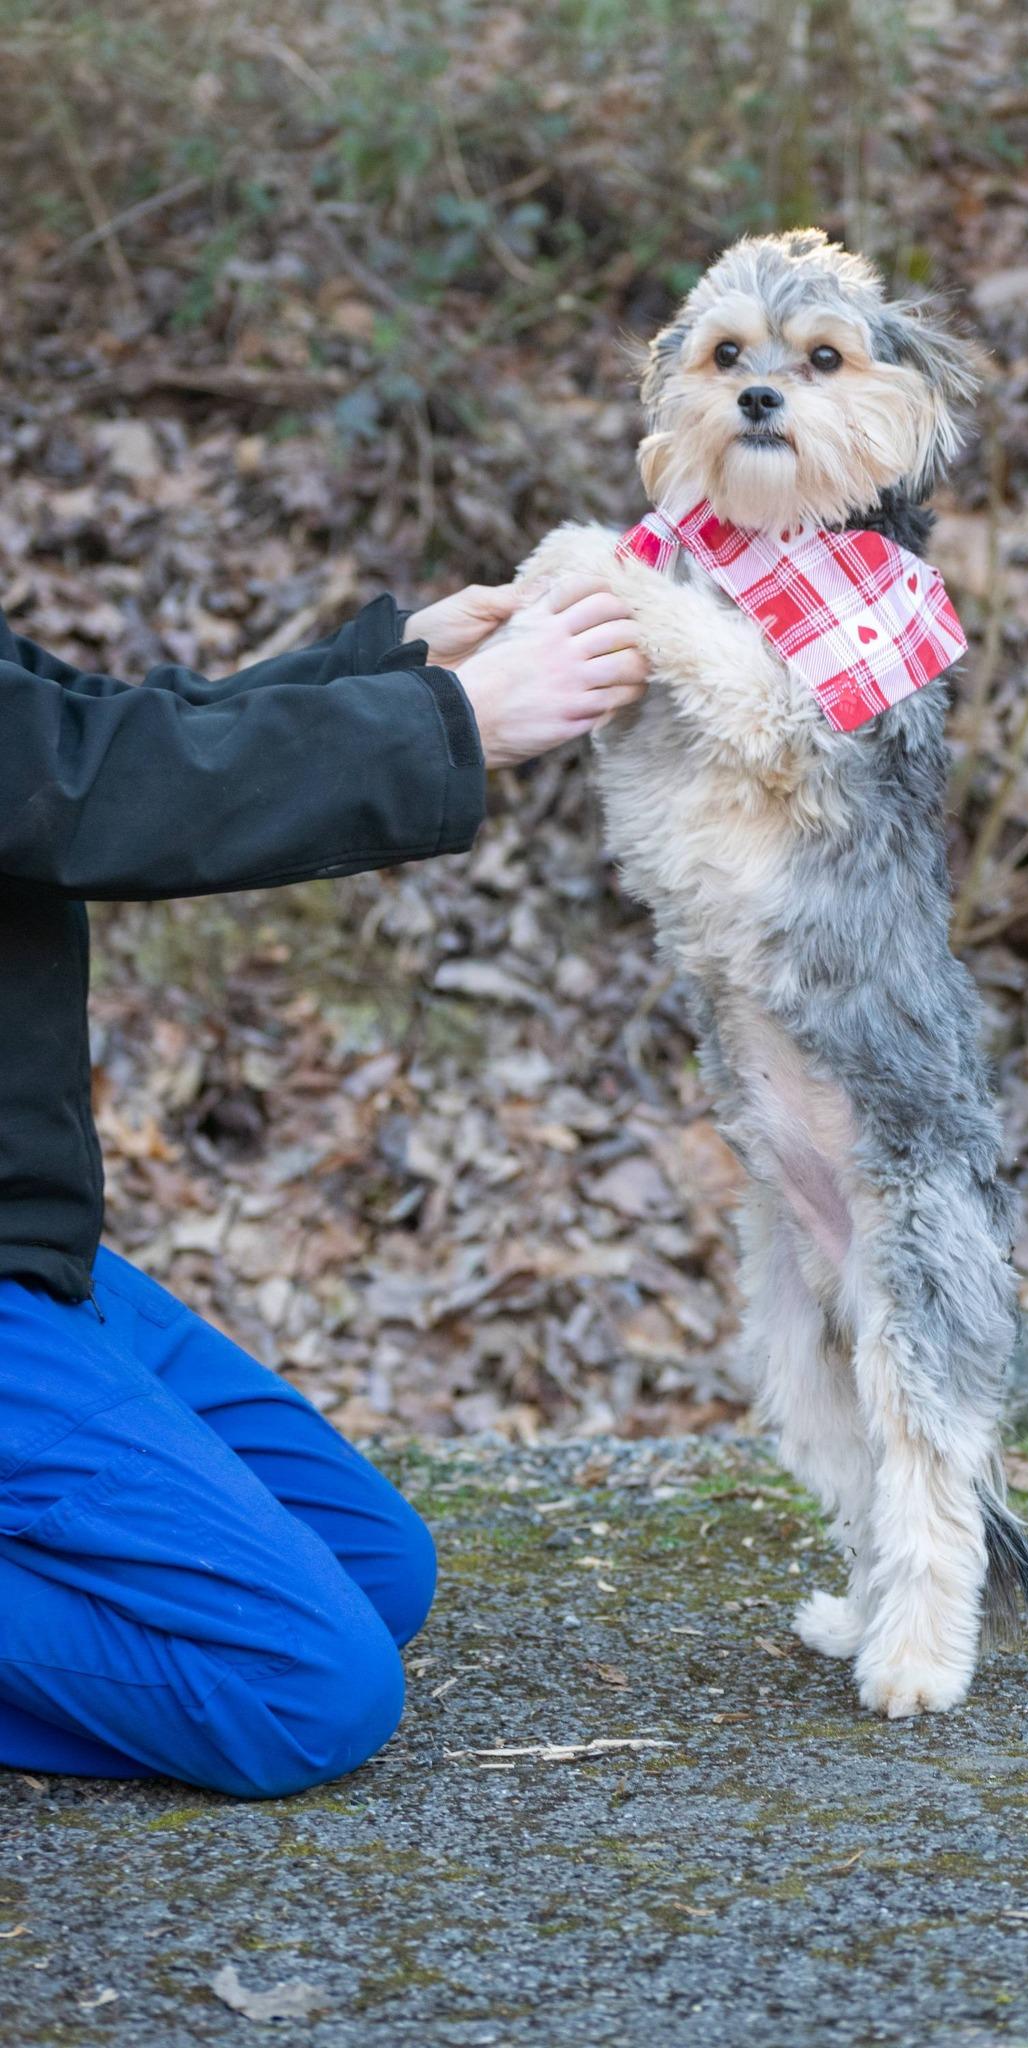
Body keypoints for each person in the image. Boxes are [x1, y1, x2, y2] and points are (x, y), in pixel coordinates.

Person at [0, 576, 648, 1798]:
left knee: (374, 1565)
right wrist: (449, 724)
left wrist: (388, 667)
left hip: (33, 1244)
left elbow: (78, 723)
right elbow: (82, 788)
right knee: (303, 1687)